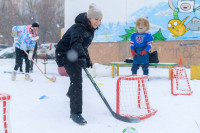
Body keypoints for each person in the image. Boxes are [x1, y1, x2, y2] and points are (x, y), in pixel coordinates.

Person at [55, 3, 102, 125]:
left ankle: (71, 93)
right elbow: (76, 43)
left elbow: (83, 45)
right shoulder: (79, 28)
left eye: (100, 20)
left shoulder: (89, 28)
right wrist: (81, 56)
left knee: (76, 79)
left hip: (73, 52)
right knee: (77, 81)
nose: (98, 22)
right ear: (89, 18)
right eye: (96, 19)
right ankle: (75, 113)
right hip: (65, 53)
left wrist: (87, 58)